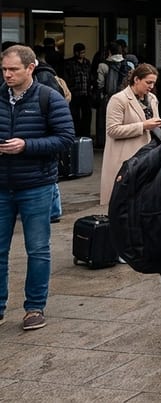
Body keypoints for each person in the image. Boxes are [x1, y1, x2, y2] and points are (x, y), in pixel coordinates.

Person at [0, 45, 74, 331]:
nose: (7, 74)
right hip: (2, 185)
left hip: (36, 185)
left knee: (38, 249)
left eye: (13, 69)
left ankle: (34, 308)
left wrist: (26, 146)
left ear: (30, 68)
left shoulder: (48, 97)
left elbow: (65, 138)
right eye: (4, 69)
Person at [99, 64, 161, 208]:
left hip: (148, 155)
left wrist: (159, 123)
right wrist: (143, 126)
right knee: (124, 203)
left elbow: (151, 122)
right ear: (136, 79)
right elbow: (112, 130)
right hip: (125, 157)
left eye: (153, 83)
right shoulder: (118, 99)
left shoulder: (152, 98)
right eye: (148, 82)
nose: (151, 86)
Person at [61, 42, 92, 137]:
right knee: (75, 115)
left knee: (87, 115)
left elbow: (90, 76)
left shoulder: (87, 62)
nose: (83, 54)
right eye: (81, 52)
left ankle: (86, 134)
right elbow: (66, 78)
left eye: (84, 52)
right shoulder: (69, 63)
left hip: (86, 93)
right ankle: (76, 134)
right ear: (76, 52)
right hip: (74, 93)